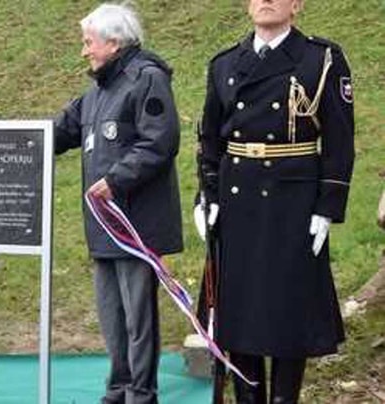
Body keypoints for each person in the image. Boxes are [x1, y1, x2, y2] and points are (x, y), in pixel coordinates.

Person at [195, 0, 354, 402]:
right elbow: (210, 140)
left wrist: (327, 206)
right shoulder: (225, 63)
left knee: (289, 311)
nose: (265, 1)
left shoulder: (321, 58)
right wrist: (207, 196)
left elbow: (339, 140)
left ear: (296, 4)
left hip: (292, 203)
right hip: (237, 199)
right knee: (240, 313)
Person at [53, 3, 183, 403]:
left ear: (113, 42)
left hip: (136, 224)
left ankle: (142, 393)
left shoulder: (147, 79)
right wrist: (12, 145)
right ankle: (119, 386)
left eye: (88, 42)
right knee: (112, 315)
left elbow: (160, 142)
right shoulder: (96, 92)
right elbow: (56, 132)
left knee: (138, 315)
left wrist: (116, 179)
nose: (84, 51)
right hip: (102, 226)